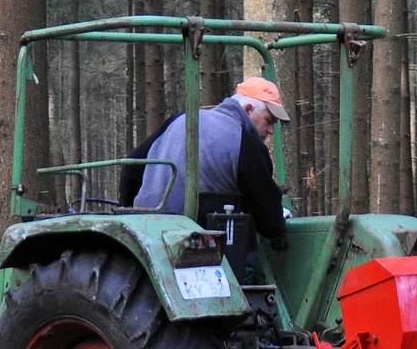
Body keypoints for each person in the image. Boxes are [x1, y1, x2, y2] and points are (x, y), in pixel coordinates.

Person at [119, 76, 290, 240]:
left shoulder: (181, 120)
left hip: (147, 230)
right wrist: (279, 233)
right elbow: (269, 218)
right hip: (198, 241)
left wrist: (128, 210)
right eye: (269, 121)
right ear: (247, 109)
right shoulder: (246, 143)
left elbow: (131, 167)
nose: (271, 130)